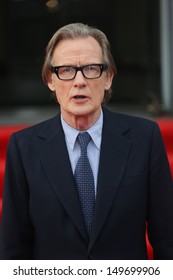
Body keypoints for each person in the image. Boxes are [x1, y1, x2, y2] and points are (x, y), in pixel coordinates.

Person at [1, 22, 173, 260]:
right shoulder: (24, 147)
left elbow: (167, 238)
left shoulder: (145, 138)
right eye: (66, 70)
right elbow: (13, 247)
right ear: (51, 79)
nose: (79, 81)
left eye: (91, 69)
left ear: (108, 78)